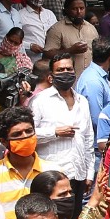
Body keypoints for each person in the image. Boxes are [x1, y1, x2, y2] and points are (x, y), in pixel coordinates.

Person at [31, 53, 95, 202]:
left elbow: (88, 139)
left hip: (78, 174)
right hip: (51, 177)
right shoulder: (40, 101)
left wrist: (89, 174)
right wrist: (54, 132)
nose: (65, 73)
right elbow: (28, 135)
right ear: (51, 76)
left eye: (69, 69)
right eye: (60, 70)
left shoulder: (82, 101)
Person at [44, 0, 99, 74]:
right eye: (74, 9)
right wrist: (70, 50)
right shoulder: (56, 29)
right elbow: (47, 54)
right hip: (68, 80)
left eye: (82, 8)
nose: (79, 12)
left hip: (89, 78)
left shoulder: (91, 28)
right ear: (66, 10)